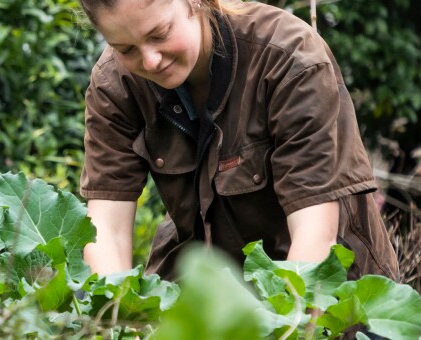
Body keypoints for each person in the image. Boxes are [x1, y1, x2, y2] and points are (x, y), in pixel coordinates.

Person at [77, 0, 400, 280]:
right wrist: (118, 319)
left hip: (328, 292)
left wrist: (291, 327)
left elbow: (315, 234)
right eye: (126, 49)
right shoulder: (114, 83)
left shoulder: (290, 57)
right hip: (206, 287)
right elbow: (106, 228)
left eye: (159, 34)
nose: (150, 61)